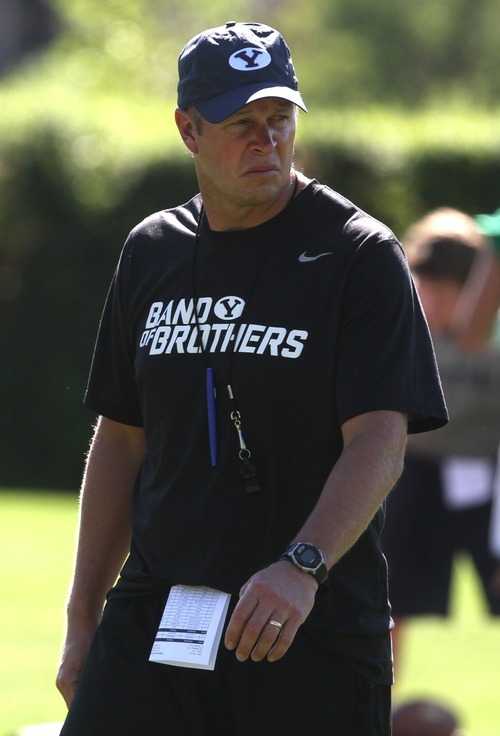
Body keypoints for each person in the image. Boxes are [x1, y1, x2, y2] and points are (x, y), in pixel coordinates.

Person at [56, 21, 447, 736]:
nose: (266, 140)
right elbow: (120, 438)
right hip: (155, 617)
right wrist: (83, 617)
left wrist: (301, 566)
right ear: (188, 130)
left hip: (306, 621)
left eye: (279, 119)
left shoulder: (358, 254)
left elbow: (380, 442)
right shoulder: (152, 252)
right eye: (241, 122)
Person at [381, 207, 500, 676]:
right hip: (416, 470)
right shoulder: (401, 326)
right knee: (388, 598)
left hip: (485, 474)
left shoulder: (490, 331)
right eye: (420, 285)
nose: (428, 300)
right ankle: (377, 707)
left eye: (441, 291)